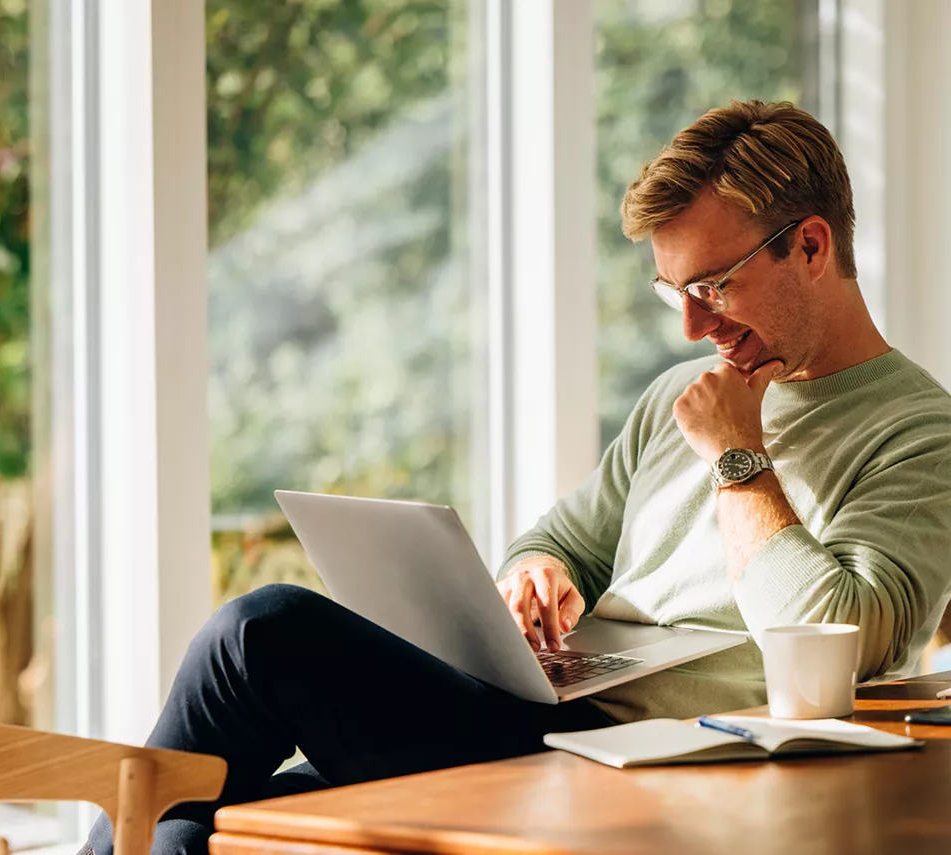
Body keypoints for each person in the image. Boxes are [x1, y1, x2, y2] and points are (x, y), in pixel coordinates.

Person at [82, 100, 951, 855]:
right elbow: (564, 538)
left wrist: (738, 459)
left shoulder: (919, 433)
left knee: (260, 631)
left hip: (664, 762)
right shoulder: (673, 401)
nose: (690, 326)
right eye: (671, 290)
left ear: (809, 245)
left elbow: (841, 632)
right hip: (544, 719)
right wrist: (538, 573)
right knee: (194, 824)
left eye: (716, 286)